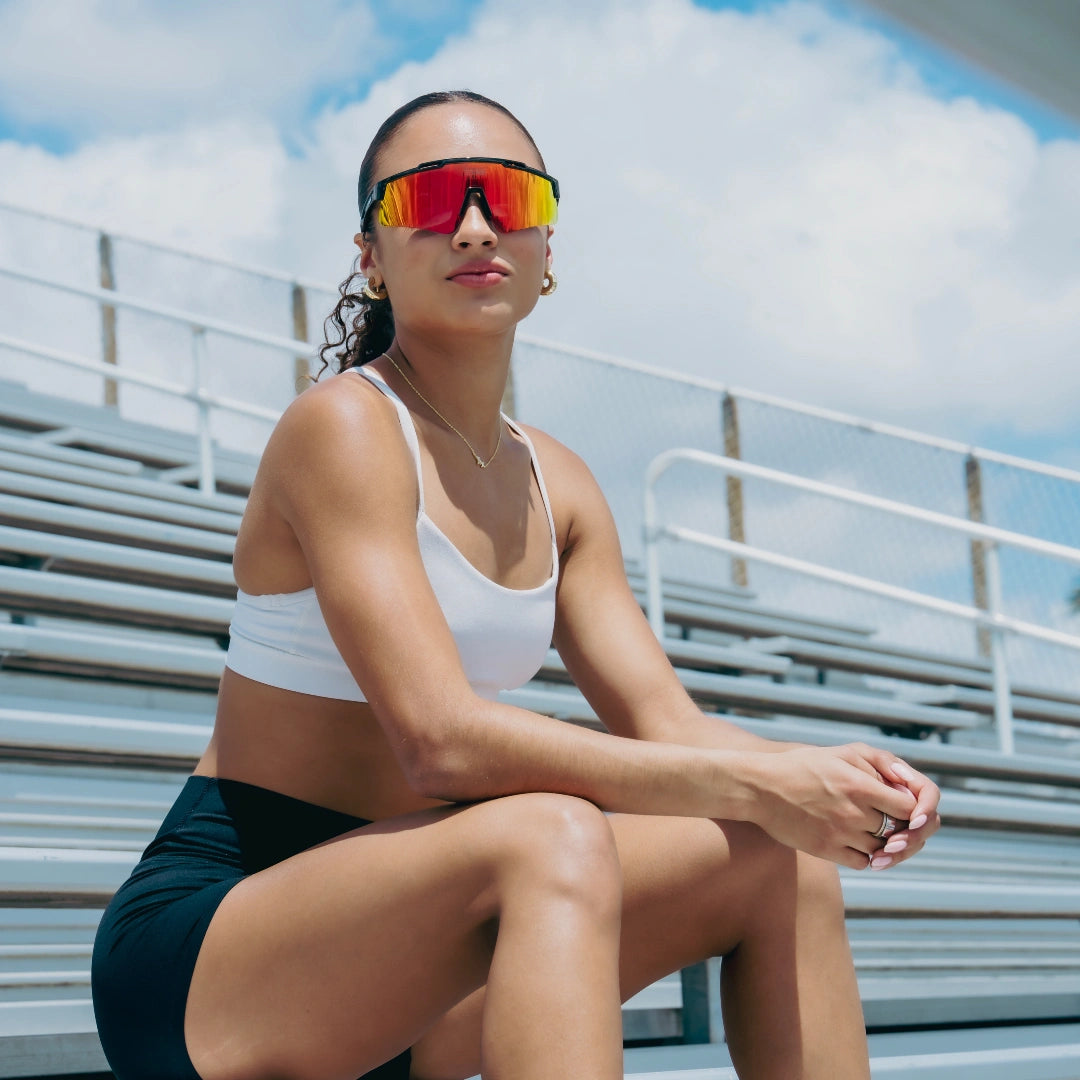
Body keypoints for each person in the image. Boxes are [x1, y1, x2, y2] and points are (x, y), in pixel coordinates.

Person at [91, 89, 941, 1080]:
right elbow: (440, 740)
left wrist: (832, 778)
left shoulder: (560, 482)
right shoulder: (345, 428)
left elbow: (665, 720)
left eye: (507, 196)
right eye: (430, 200)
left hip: (417, 964)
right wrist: (760, 782)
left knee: (782, 861)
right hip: (222, 951)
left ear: (547, 250)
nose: (474, 225)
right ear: (370, 256)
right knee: (550, 835)